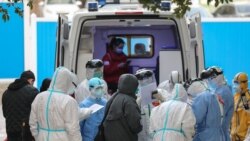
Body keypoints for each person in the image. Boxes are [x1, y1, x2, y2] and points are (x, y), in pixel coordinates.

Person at [29, 67, 88, 141]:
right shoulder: (69, 101)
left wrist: (37, 136)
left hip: (42, 137)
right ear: (67, 81)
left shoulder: (39, 97)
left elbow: (33, 122)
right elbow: (73, 129)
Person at [192, 66, 234, 141]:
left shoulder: (223, 92)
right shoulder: (222, 91)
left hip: (214, 134)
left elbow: (213, 116)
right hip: (219, 134)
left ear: (217, 78)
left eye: (210, 79)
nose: (208, 82)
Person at [103, 74, 142, 141]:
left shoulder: (114, 97)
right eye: (136, 86)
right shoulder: (129, 101)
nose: (137, 89)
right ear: (132, 86)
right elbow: (135, 125)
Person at [2, 70, 39, 141]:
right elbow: (36, 115)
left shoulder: (6, 93)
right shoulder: (33, 91)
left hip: (10, 133)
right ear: (31, 80)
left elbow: (5, 114)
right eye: (33, 82)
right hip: (26, 134)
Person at [231, 72, 250, 141]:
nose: (234, 86)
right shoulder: (236, 96)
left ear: (244, 84)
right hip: (234, 137)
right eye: (234, 83)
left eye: (237, 83)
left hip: (243, 138)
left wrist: (248, 138)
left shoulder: (246, 99)